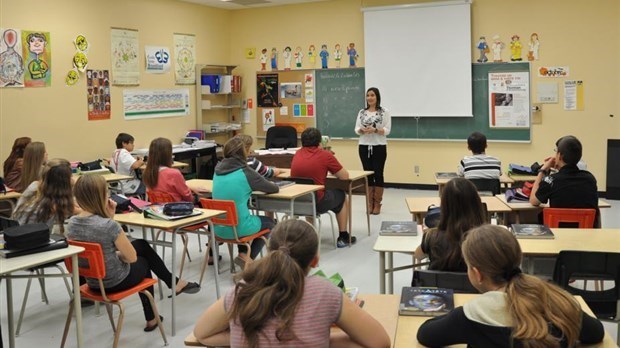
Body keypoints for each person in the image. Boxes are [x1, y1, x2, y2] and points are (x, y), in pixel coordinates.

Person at [193, 219, 391, 348]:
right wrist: (321, 340)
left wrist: (250, 338)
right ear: (315, 261)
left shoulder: (243, 290)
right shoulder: (326, 293)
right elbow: (380, 342)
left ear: (270, 253)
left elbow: (202, 334)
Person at [417, 224, 605, 347]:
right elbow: (596, 333)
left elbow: (425, 334)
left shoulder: (471, 316)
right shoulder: (558, 300)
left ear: (477, 274)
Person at [67, 175, 200, 332]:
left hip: (92, 283)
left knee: (141, 244)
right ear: (101, 196)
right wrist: (111, 222)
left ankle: (173, 284)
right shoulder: (109, 226)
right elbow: (131, 258)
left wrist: (111, 252)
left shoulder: (72, 223)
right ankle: (152, 317)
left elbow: (95, 248)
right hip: (114, 282)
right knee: (143, 261)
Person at [212, 137, 278, 269]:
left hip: (217, 229)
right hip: (238, 228)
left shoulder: (217, 170)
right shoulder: (246, 172)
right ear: (243, 153)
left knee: (239, 217)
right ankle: (247, 257)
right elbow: (273, 188)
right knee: (270, 223)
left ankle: (243, 254)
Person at [290, 127, 354, 248]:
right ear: (319, 142)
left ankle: (311, 235)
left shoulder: (297, 153)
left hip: (297, 201)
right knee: (341, 195)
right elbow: (344, 176)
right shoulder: (325, 155)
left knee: (310, 194)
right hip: (317, 202)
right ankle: (343, 236)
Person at [414, 178, 486, 273]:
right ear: (477, 203)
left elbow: (418, 255)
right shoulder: (487, 239)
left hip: (439, 287)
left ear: (444, 207)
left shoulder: (432, 237)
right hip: (474, 287)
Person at [530, 135, 599, 225]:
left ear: (559, 156)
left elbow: (534, 201)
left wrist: (543, 169)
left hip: (558, 234)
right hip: (584, 235)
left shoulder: (551, 180)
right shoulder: (590, 179)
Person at [12, 158, 76, 233]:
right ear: (63, 182)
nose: (73, 179)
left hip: (16, 235)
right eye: (71, 176)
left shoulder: (34, 186)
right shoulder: (55, 205)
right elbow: (80, 211)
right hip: (33, 241)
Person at [355, 87, 391, 215]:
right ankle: (369, 203)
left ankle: (377, 204)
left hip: (379, 146)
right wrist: (361, 130)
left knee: (378, 174)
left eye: (372, 95)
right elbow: (356, 129)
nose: (370, 98)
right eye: (368, 95)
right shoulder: (362, 112)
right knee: (368, 174)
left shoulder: (384, 112)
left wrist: (375, 130)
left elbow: (387, 130)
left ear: (377, 97)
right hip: (364, 146)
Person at [143, 137, 199, 202]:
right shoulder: (173, 173)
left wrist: (190, 189)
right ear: (168, 154)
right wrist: (194, 197)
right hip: (178, 209)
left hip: (158, 209)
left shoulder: (147, 172)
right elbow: (187, 196)